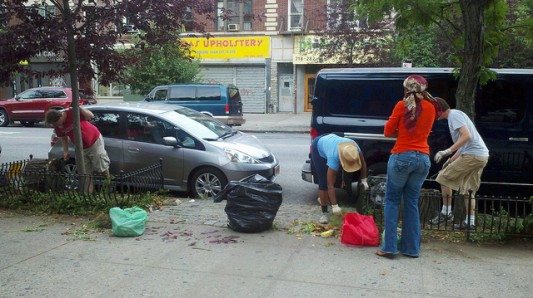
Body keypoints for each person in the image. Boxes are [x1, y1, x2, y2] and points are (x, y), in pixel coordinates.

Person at [376, 75, 437, 259]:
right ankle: (411, 249)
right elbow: (425, 130)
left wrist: (400, 131)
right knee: (411, 202)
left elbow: (387, 132)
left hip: (402, 156)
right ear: (424, 89)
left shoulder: (401, 105)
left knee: (392, 200)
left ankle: (389, 247)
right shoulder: (431, 107)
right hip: (423, 159)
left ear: (406, 89)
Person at [430, 97, 489, 230]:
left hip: (472, 155)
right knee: (468, 190)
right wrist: (450, 160)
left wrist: (446, 151)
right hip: (481, 155)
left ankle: (446, 212)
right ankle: (470, 223)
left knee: (443, 178)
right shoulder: (456, 115)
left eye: (433, 111)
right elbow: (464, 145)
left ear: (439, 110)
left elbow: (466, 136)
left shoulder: (453, 116)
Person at [45, 107, 110, 192]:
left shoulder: (72, 112)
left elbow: (90, 116)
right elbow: (63, 137)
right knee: (86, 174)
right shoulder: (57, 126)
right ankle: (87, 196)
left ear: (60, 117)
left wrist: (79, 108)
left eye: (57, 123)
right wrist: (66, 151)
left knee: (101, 167)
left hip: (94, 141)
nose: (57, 126)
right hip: (81, 147)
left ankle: (108, 185)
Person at [311, 133, 368, 224]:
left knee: (338, 177)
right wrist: (335, 206)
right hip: (318, 146)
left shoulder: (354, 147)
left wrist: (364, 180)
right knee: (323, 182)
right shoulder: (333, 157)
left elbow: (363, 163)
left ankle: (325, 199)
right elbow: (330, 185)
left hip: (331, 142)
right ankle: (324, 212)